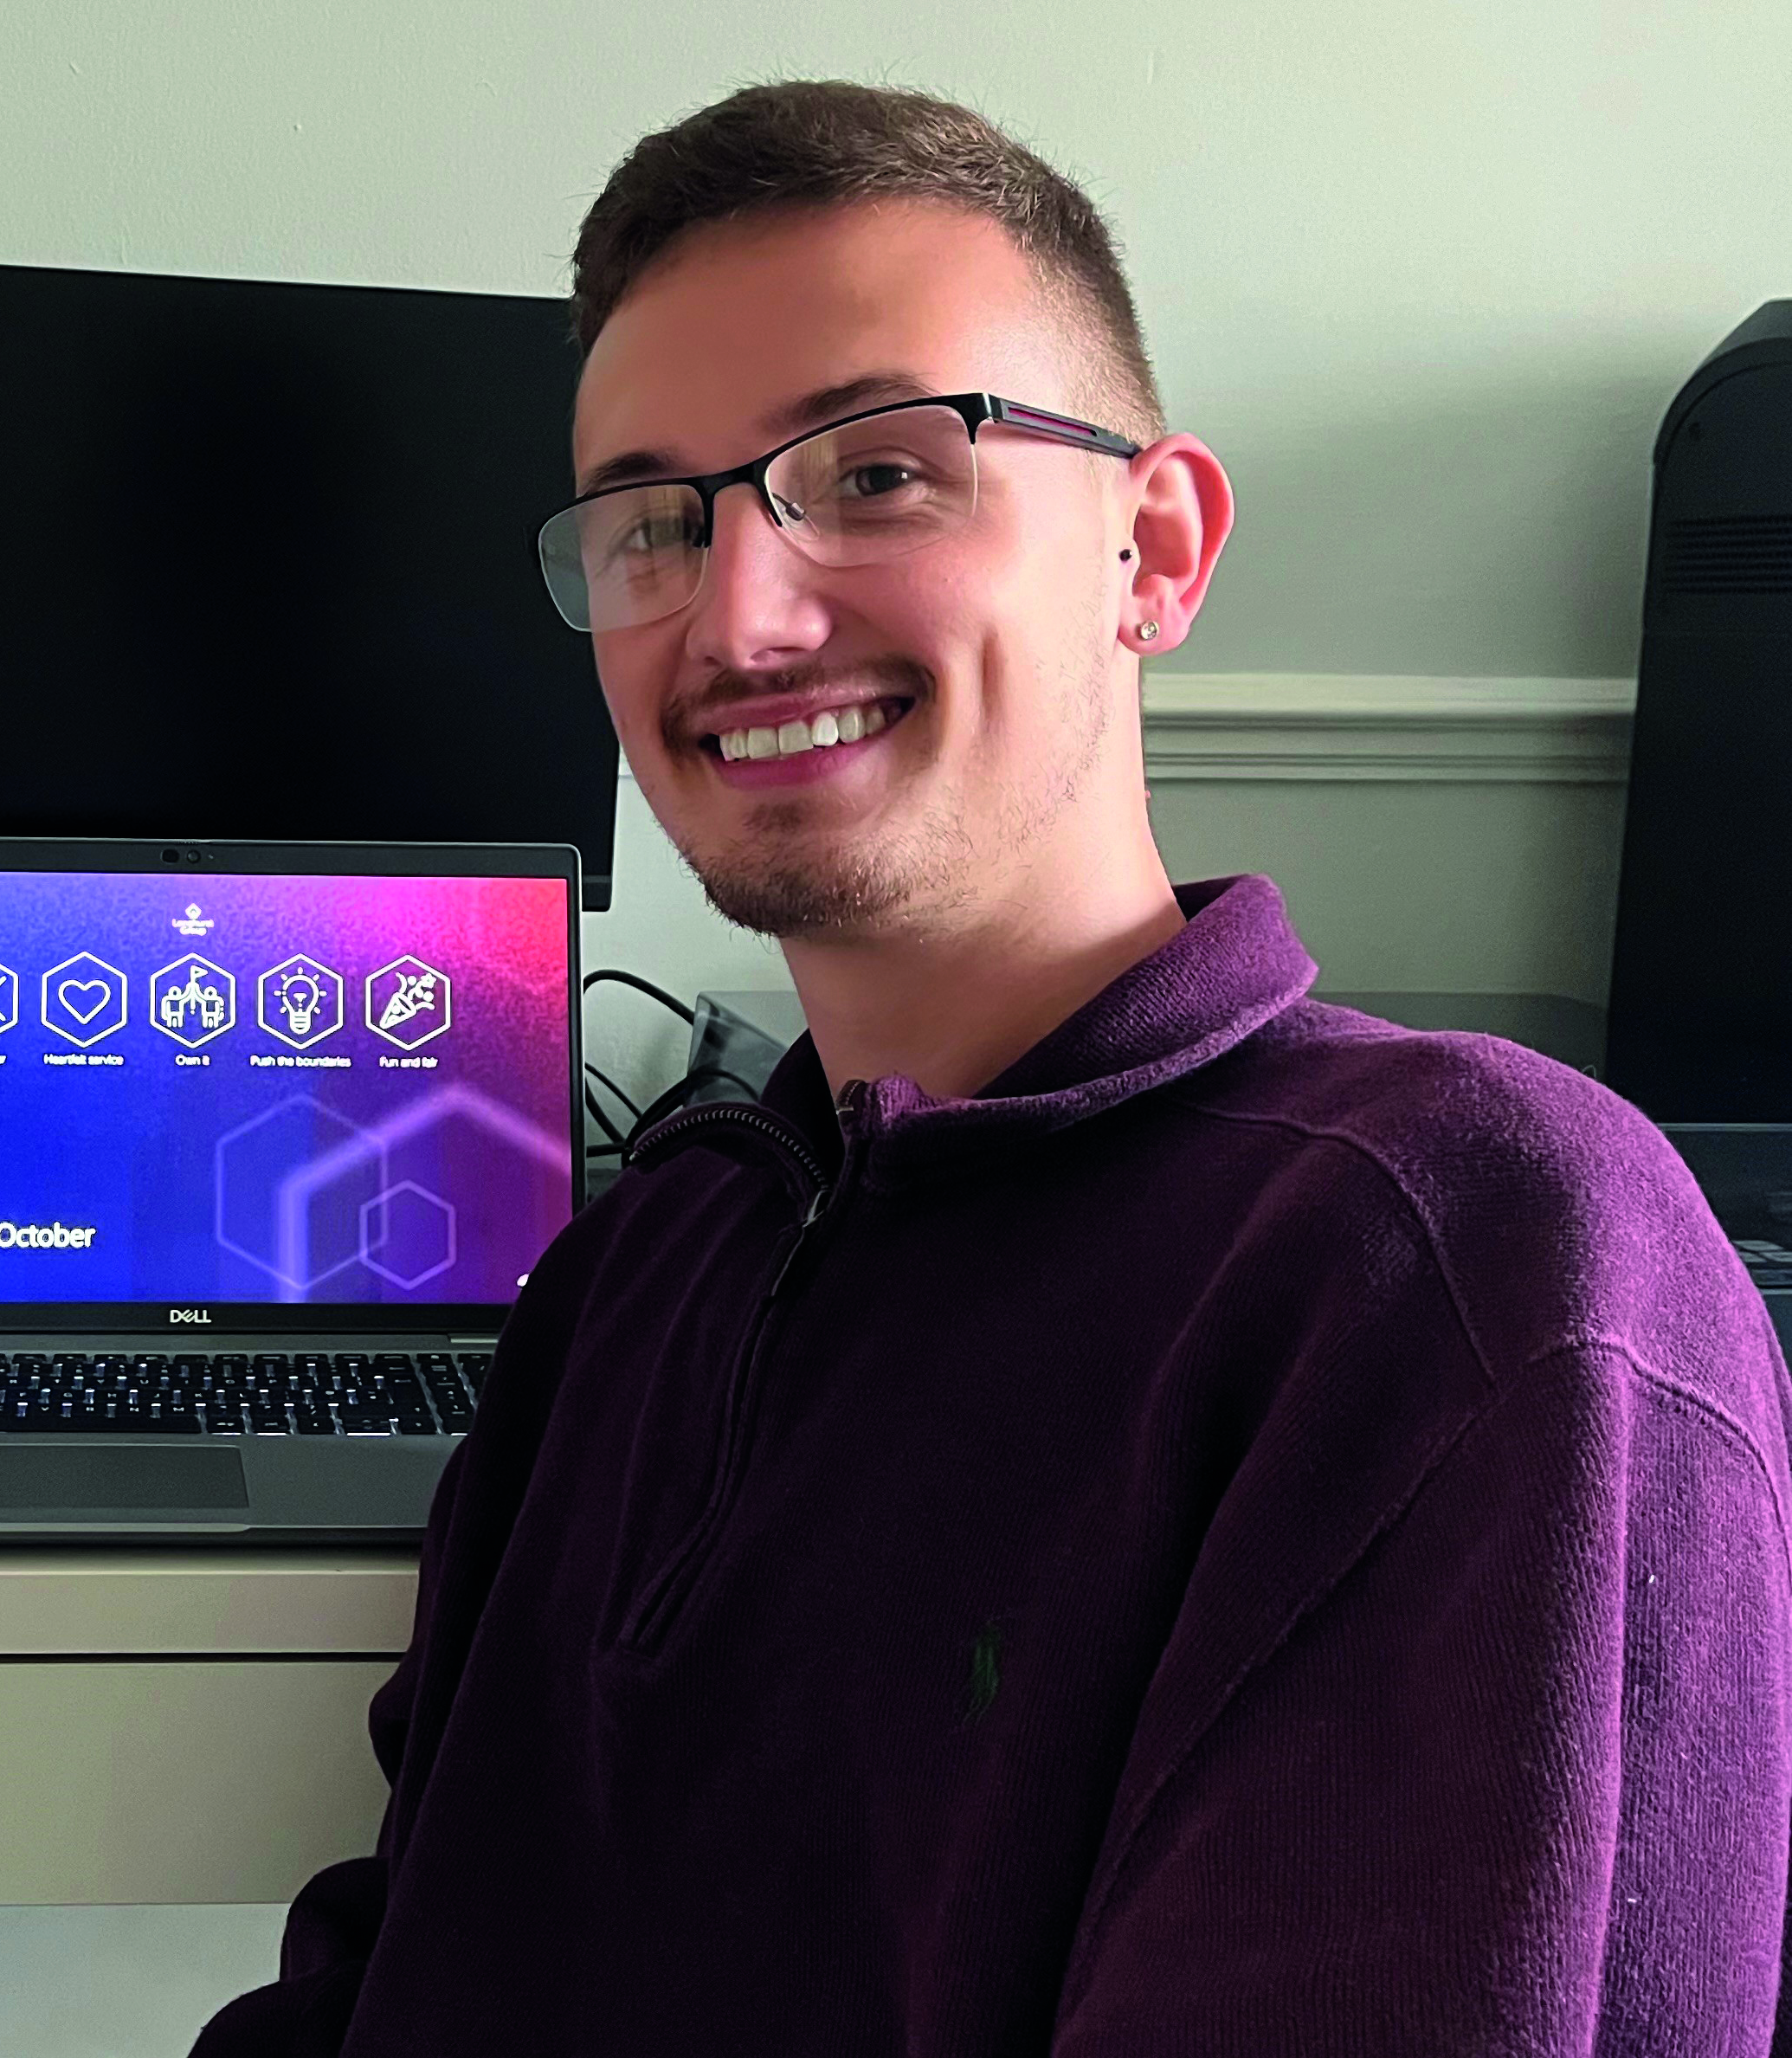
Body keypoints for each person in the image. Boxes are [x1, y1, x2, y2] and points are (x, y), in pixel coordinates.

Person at [192, 80, 1792, 2055]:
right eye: (651, 525)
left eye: (877, 473)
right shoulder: (631, 1271)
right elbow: (383, 1959)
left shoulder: (1468, 1250)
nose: (739, 614)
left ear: (1155, 547)